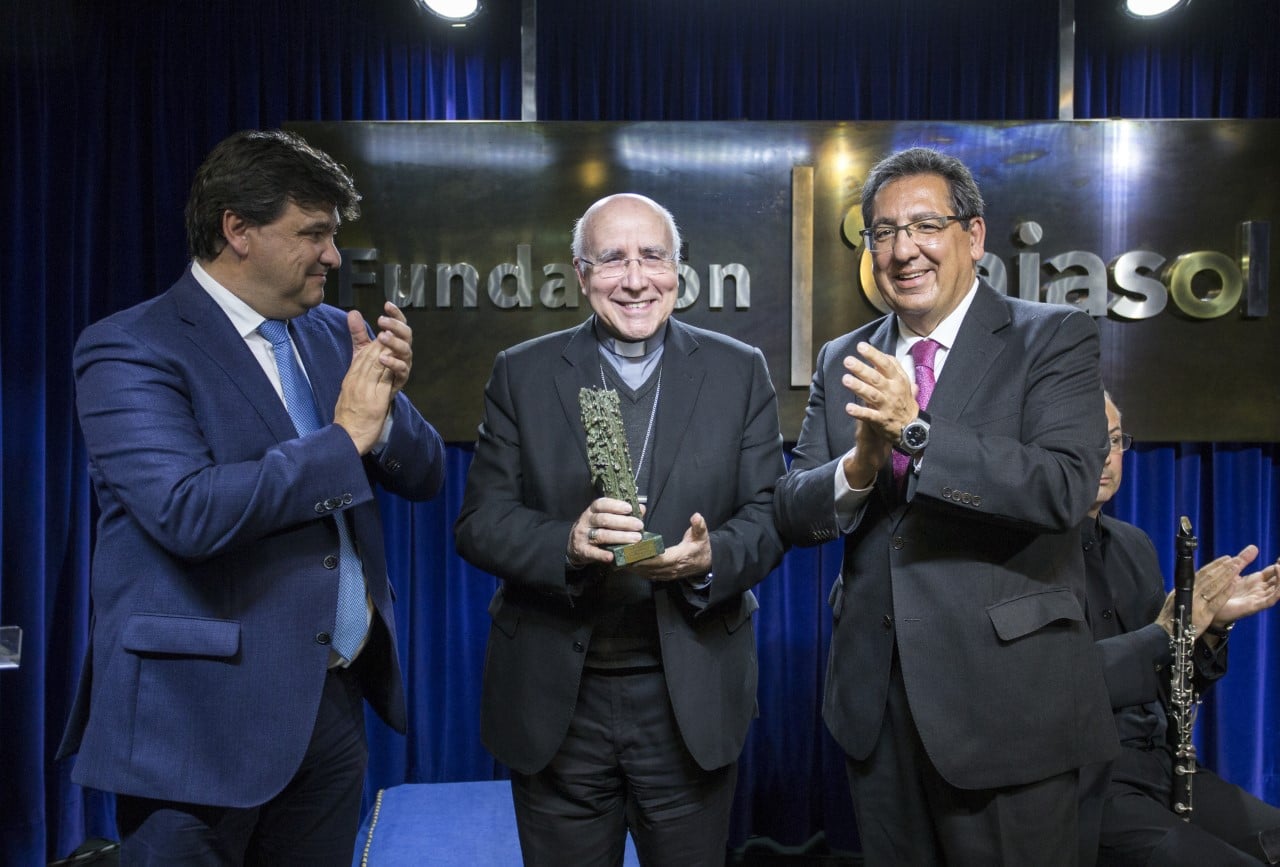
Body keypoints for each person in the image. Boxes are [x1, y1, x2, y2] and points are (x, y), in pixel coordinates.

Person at [57, 129, 446, 865]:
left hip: (327, 702)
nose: (334, 255)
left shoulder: (335, 333)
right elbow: (188, 510)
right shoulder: (129, 347)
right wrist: (344, 437)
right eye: (313, 234)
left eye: (334, 234)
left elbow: (423, 475)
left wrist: (387, 406)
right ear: (237, 228)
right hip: (196, 720)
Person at [773, 146, 1119, 864]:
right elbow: (794, 509)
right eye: (883, 231)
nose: (904, 250)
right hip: (880, 709)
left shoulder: (1052, 336)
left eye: (926, 225)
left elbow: (1063, 487)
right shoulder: (847, 356)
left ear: (974, 236)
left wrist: (916, 431)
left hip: (1010, 711)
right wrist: (861, 464)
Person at [454, 193, 786, 866]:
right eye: (612, 259)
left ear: (678, 269)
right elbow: (479, 523)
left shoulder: (739, 369)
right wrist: (565, 544)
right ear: (581, 274)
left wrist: (709, 557)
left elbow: (770, 515)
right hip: (556, 697)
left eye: (653, 257)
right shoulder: (522, 372)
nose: (635, 278)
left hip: (688, 694)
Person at [1081, 393, 1280, 865]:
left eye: (1113, 440)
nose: (1106, 457)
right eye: (1089, 441)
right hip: (1086, 784)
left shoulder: (1134, 546)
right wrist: (1171, 629)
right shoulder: (1026, 558)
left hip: (1163, 766)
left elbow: (1175, 685)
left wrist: (1212, 627)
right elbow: (1063, 683)